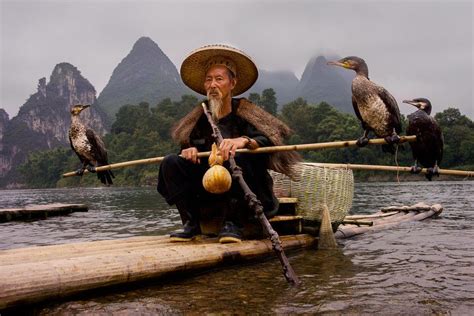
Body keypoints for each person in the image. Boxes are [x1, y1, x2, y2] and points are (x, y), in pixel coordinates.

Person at [157, 44, 299, 243]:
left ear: (232, 83)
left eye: (219, 79)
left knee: (237, 156)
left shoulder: (245, 112)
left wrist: (244, 141)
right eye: (209, 80)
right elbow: (187, 147)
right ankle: (191, 223)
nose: (212, 85)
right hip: (209, 191)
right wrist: (188, 151)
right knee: (170, 162)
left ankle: (234, 223)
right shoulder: (199, 117)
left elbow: (268, 139)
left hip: (247, 190)